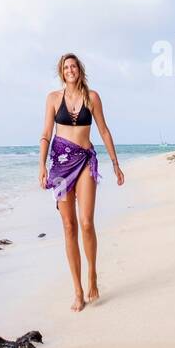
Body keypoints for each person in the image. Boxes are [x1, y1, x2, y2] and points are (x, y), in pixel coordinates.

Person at [38, 52, 124, 312]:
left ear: (80, 70)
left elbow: (104, 130)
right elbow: (45, 134)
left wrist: (116, 164)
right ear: (61, 72)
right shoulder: (53, 99)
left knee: (86, 224)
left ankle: (93, 275)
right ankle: (77, 290)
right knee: (68, 226)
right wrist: (41, 165)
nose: (71, 70)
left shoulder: (92, 97)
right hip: (61, 167)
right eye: (66, 67)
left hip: (86, 161)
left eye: (74, 66)